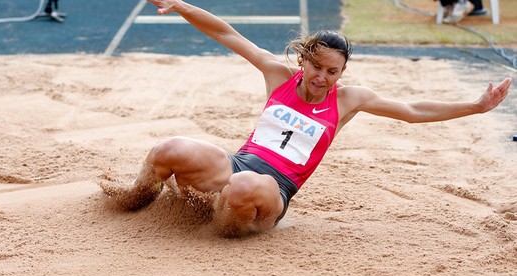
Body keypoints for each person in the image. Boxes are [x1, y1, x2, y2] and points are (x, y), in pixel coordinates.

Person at [101, 0, 512, 237]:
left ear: (341, 73)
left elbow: (412, 111)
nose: (322, 78)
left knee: (244, 187)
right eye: (317, 68)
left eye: (333, 72)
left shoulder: (348, 100)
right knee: (169, 147)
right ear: (304, 60)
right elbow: (228, 34)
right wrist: (181, 5)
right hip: (239, 163)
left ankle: (222, 229)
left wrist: (474, 107)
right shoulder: (277, 75)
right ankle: (136, 199)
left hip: (273, 191)